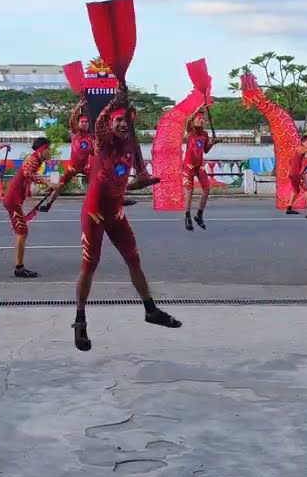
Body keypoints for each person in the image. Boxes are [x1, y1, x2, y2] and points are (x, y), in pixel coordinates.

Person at [72, 84, 180, 352]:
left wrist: (145, 182)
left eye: (127, 121)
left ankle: (150, 309)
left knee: (134, 261)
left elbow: (131, 180)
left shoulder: (133, 147)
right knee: (90, 266)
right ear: (111, 122)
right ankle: (80, 319)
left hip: (116, 213)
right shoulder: (103, 141)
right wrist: (113, 103)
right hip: (95, 214)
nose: (122, 125)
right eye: (118, 120)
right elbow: (98, 123)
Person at [3, 137, 56, 278]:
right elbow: (27, 174)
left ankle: (19, 267)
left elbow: (27, 177)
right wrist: (47, 183)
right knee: (22, 231)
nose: (50, 152)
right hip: (12, 200)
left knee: (22, 231)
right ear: (42, 149)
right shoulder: (32, 160)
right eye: (48, 149)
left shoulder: (36, 160)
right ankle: (19, 268)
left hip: (15, 199)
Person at [45, 101, 94, 211]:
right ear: (78, 123)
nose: (85, 124)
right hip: (72, 167)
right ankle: (49, 204)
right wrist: (78, 107)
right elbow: (71, 119)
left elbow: (94, 152)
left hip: (87, 167)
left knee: (96, 186)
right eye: (82, 122)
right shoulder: (75, 133)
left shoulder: (91, 137)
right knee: (60, 186)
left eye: (86, 122)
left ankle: (97, 206)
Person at [183, 109, 215, 230]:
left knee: (206, 189)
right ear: (193, 120)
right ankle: (187, 217)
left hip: (199, 165)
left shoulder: (205, 134)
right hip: (188, 165)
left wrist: (212, 143)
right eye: (199, 119)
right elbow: (187, 122)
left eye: (203, 119)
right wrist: (196, 109)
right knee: (189, 191)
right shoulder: (191, 131)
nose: (201, 121)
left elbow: (205, 150)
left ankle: (199, 215)